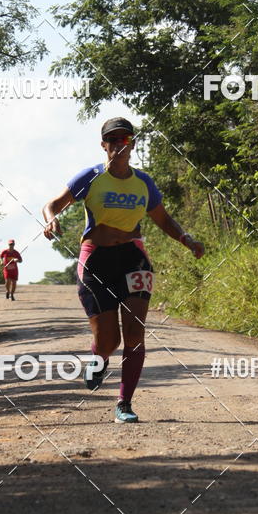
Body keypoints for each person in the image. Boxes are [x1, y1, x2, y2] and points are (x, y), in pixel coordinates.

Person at [42, 117, 204, 423]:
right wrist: (51, 219)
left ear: (131, 144)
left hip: (133, 257)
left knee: (135, 333)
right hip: (97, 260)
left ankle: (124, 403)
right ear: (103, 145)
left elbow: (162, 218)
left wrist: (186, 238)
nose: (119, 145)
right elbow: (52, 204)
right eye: (112, 140)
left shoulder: (144, 182)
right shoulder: (90, 177)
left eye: (124, 140)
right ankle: (99, 357)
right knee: (109, 340)